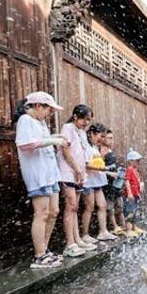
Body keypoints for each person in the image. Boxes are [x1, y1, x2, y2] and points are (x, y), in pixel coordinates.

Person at [14, 92, 66, 269]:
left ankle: (44, 249)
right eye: (48, 110)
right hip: (38, 174)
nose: (49, 114)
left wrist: (56, 137)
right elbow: (25, 144)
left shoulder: (40, 122)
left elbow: (42, 140)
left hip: (50, 173)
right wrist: (53, 140)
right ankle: (39, 255)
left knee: (54, 211)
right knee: (41, 213)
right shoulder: (25, 120)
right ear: (38, 106)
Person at [56, 104, 98, 257]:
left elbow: (84, 154)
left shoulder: (81, 132)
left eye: (88, 120)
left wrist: (82, 173)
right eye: (84, 119)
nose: (86, 123)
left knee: (75, 208)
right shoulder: (67, 128)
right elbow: (66, 152)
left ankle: (77, 239)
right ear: (75, 117)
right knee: (70, 206)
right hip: (68, 173)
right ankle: (69, 244)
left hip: (78, 174)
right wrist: (78, 171)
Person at [81, 123, 117, 243]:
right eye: (101, 136)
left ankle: (103, 232)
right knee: (89, 207)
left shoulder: (95, 147)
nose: (102, 139)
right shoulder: (86, 146)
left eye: (103, 137)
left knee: (103, 205)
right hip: (88, 181)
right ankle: (85, 234)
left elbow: (98, 162)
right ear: (91, 134)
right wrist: (103, 169)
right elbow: (86, 164)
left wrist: (105, 170)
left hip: (97, 181)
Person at [101, 129, 125, 235]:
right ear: (103, 139)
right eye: (109, 138)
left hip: (116, 183)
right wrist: (109, 173)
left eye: (112, 138)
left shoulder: (110, 150)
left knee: (119, 204)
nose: (112, 140)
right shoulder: (102, 151)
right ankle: (115, 226)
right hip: (108, 183)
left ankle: (123, 225)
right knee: (110, 207)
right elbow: (99, 168)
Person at [124, 149, 144, 237]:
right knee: (130, 212)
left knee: (135, 211)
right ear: (131, 161)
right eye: (137, 160)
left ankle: (135, 227)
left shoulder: (135, 170)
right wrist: (129, 193)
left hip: (136, 195)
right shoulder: (129, 169)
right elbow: (127, 181)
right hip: (131, 196)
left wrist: (139, 192)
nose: (139, 162)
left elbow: (137, 182)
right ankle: (128, 230)